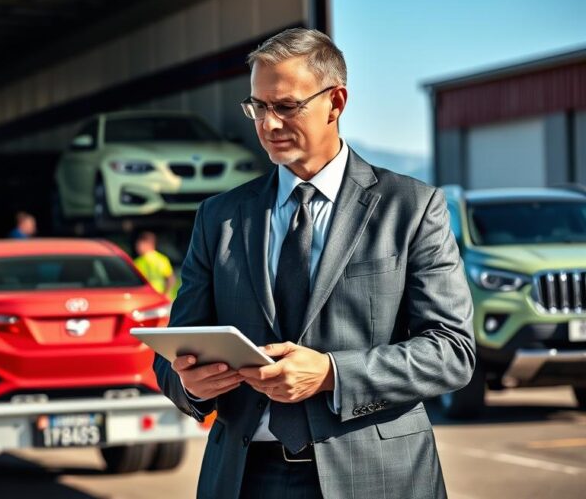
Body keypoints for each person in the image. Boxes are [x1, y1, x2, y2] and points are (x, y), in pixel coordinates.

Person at [152, 28, 475, 499]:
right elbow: (174, 354)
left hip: (375, 476)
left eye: (285, 106)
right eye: (258, 107)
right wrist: (193, 385)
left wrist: (331, 374)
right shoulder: (219, 217)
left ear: (336, 102)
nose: (268, 124)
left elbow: (451, 352)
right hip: (244, 478)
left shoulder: (412, 207)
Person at [133, 231, 177, 299]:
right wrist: (166, 293)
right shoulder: (162, 259)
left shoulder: (138, 262)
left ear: (149, 244)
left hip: (147, 297)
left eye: (139, 245)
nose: (137, 247)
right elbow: (171, 279)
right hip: (161, 297)